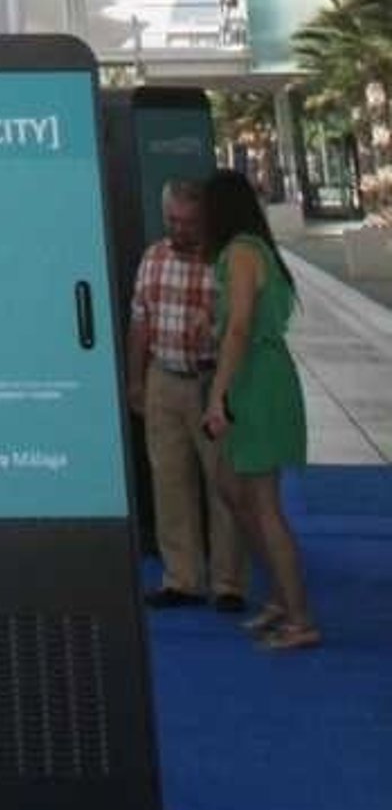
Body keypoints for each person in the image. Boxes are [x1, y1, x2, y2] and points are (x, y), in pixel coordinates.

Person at [199, 168, 318, 651]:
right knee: (232, 488)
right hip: (252, 377)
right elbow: (233, 324)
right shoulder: (244, 252)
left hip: (257, 383)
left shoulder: (242, 252)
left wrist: (218, 395)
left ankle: (300, 618)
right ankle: (281, 598)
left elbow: (241, 327)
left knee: (264, 503)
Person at [126, 178, 247, 610]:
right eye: (172, 220)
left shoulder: (224, 262)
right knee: (169, 481)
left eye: (188, 222)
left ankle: (229, 583)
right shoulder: (153, 258)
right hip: (163, 377)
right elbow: (140, 322)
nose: (179, 229)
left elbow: (239, 326)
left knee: (223, 484)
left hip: (211, 383)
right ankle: (182, 578)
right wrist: (136, 380)